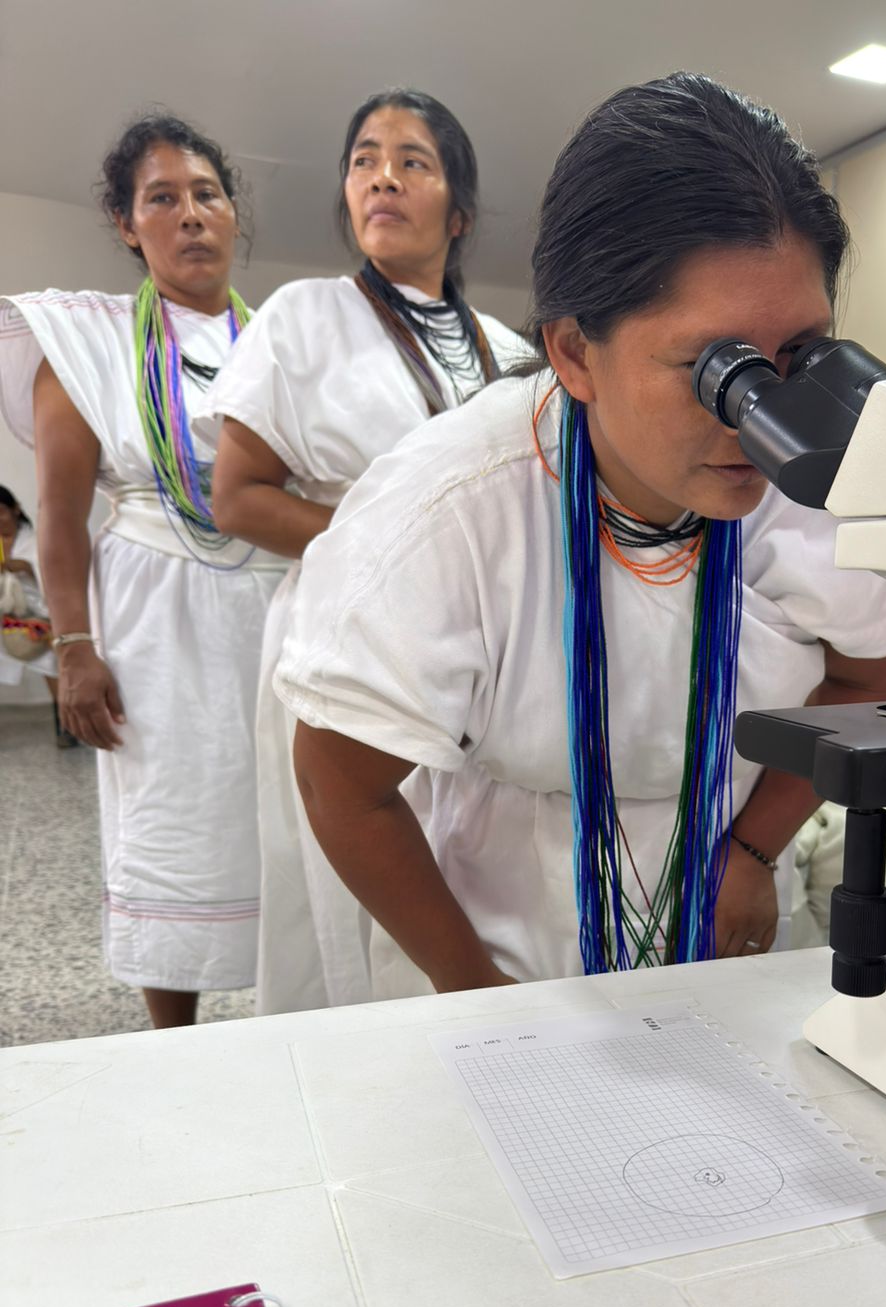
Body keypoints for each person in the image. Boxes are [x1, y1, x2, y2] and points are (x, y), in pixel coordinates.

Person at [276, 73, 886, 995]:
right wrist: (475, 991)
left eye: (799, 357)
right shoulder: (452, 509)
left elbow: (872, 670)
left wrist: (753, 846)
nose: (764, 419)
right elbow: (340, 783)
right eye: (716, 367)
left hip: (716, 876)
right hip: (497, 918)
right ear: (576, 351)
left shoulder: (808, 474)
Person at [196, 89, 527, 1013]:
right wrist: (390, 548)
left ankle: (471, 1027)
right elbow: (239, 496)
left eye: (412, 160)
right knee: (342, 872)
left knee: (465, 849)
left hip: (478, 634)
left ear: (458, 212)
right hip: (345, 621)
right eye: (364, 159)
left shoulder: (503, 351)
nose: (383, 176)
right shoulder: (302, 316)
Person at [0, 114, 287, 1029]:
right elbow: (59, 511)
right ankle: (176, 1040)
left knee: (288, 814)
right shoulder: (85, 345)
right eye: (161, 198)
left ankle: (300, 1008)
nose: (190, 214)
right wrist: (75, 647)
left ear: (233, 214)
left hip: (276, 608)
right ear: (128, 226)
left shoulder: (281, 338)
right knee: (170, 818)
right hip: (155, 619)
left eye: (206, 194)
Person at [0, 484, 71, 740]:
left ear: (15, 510)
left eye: (1, 512)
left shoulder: (37, 540)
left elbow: (54, 579)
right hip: (4, 617)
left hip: (38, 614)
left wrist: (27, 568)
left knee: (51, 661)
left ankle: (66, 722)